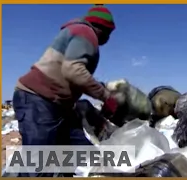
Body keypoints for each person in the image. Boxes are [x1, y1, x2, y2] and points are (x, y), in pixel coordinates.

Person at [12, 4, 118, 177]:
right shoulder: (86, 33)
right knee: (38, 166)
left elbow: (71, 72)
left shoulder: (78, 32)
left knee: (81, 151)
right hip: (38, 100)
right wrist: (106, 96)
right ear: (101, 27)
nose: (108, 38)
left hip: (58, 105)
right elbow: (74, 71)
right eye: (108, 32)